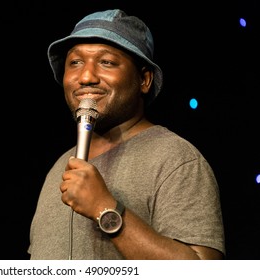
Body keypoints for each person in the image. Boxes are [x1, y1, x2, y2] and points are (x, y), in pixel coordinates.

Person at [28, 9, 225, 260]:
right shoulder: (58, 168)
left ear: (144, 79)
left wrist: (105, 209)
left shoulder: (175, 158)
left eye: (106, 62)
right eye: (75, 62)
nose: (86, 76)